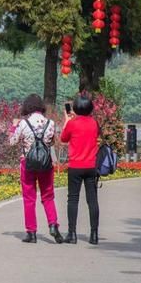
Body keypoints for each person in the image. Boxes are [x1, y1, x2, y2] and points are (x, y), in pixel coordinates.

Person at [9, 94, 63, 244]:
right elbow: (51, 143)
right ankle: (53, 225)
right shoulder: (50, 123)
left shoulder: (23, 123)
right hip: (46, 164)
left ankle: (31, 233)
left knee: (29, 198)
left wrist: (14, 126)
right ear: (41, 107)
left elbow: (12, 142)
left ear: (27, 106)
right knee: (48, 196)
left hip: (28, 163)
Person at [60, 94, 100, 245]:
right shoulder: (94, 123)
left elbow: (63, 139)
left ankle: (72, 234)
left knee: (73, 199)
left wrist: (67, 120)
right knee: (92, 200)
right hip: (91, 166)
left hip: (75, 166)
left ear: (75, 108)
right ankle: (94, 234)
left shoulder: (72, 123)